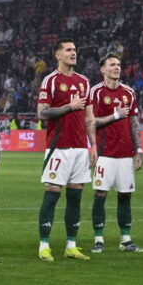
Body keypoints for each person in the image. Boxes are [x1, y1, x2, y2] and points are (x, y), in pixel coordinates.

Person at [37, 40, 94, 261]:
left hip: (80, 148)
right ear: (57, 55)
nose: (74, 53)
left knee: (75, 197)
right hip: (58, 147)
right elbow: (42, 113)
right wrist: (69, 106)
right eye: (69, 50)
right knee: (52, 195)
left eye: (75, 50)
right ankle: (43, 245)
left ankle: (71, 245)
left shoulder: (84, 81)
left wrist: (93, 146)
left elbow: (89, 117)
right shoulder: (50, 80)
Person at [88, 54, 143, 253]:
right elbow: (91, 121)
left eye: (119, 65)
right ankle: (98, 239)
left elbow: (134, 122)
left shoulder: (128, 92)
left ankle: (126, 240)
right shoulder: (95, 92)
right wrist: (115, 115)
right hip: (105, 152)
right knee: (100, 194)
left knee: (125, 194)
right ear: (103, 69)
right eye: (112, 65)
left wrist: (139, 150)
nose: (117, 68)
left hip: (125, 153)